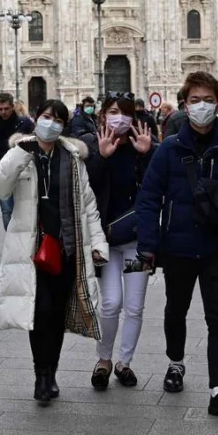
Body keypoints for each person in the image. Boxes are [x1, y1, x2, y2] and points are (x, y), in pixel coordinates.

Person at [135, 71, 218, 417]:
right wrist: (148, 245)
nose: (202, 106)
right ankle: (176, 362)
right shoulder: (169, 150)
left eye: (208, 100)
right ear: (184, 105)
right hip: (176, 246)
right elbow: (149, 197)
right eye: (195, 100)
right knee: (176, 310)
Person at [0, 99, 108, 405]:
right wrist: (17, 155)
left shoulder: (72, 158)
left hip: (66, 248)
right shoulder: (21, 153)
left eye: (57, 119)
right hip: (31, 250)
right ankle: (41, 375)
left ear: (64, 125)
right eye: (45, 116)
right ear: (35, 118)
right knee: (39, 313)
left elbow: (88, 205)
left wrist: (97, 245)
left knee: (54, 317)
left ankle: (51, 372)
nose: (50, 123)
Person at [80, 93, 157, 390]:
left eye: (125, 113)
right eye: (113, 112)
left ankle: (125, 362)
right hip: (106, 241)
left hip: (137, 241)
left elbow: (156, 189)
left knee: (135, 307)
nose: (119, 118)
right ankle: (103, 360)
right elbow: (85, 189)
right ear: (102, 116)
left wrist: (147, 153)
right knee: (111, 303)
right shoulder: (90, 145)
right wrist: (102, 156)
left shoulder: (144, 146)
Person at [0, 93, 35, 229]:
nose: (3, 112)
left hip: (23, 171)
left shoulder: (24, 122)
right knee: (7, 209)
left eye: (6, 108)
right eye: (0, 109)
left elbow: (35, 140)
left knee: (25, 208)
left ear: (12, 107)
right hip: (3, 172)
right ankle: (11, 238)